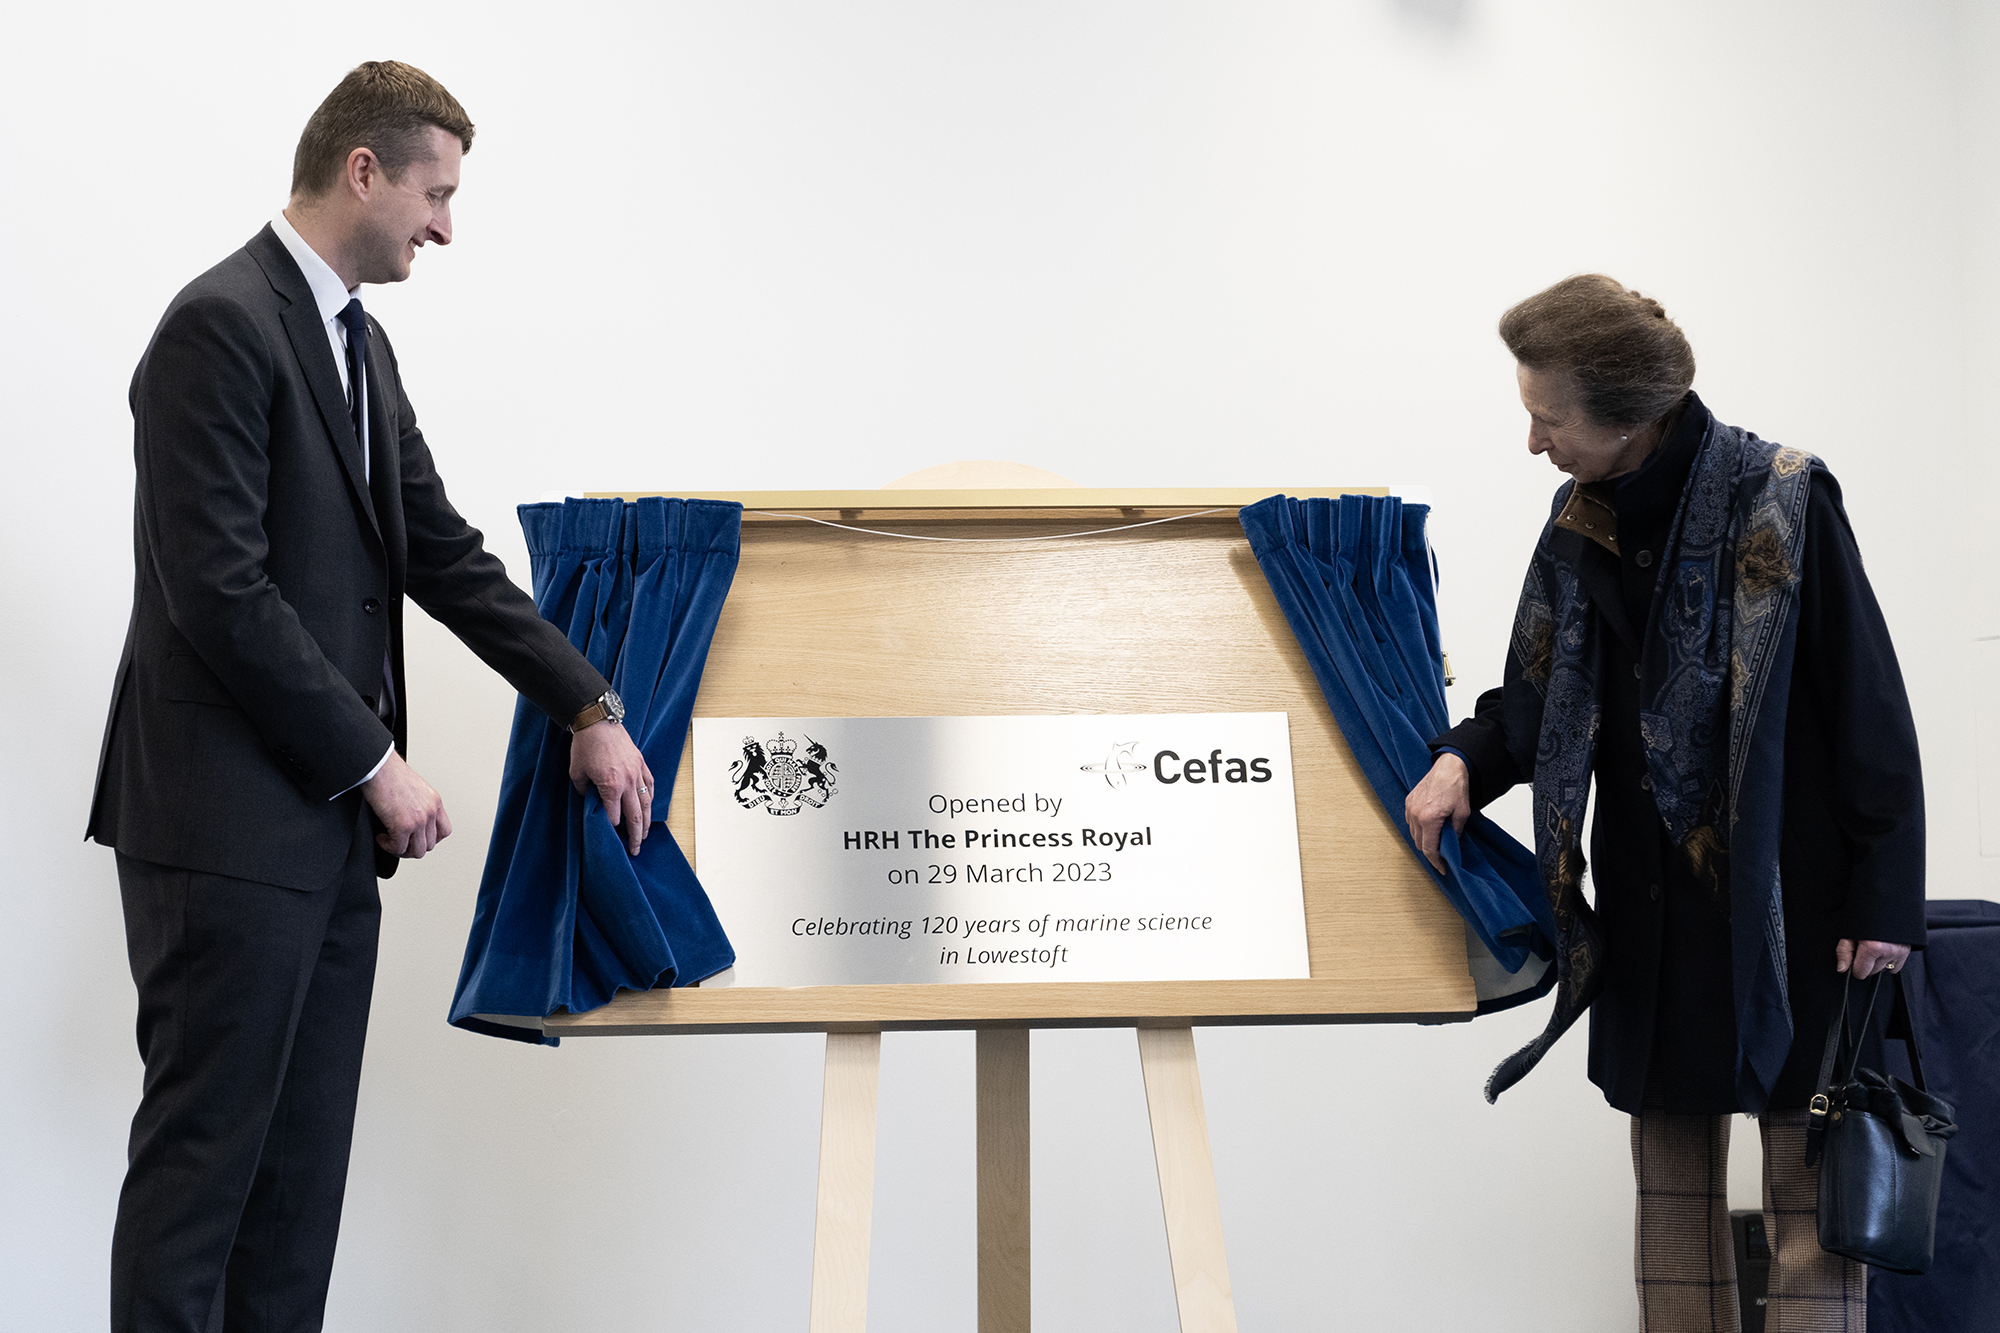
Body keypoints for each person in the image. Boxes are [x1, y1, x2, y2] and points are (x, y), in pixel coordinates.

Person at [86, 61, 657, 1331]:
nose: (445, 226)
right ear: (363, 170)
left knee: (298, 1187)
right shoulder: (217, 326)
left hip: (328, 839)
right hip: (223, 835)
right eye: (434, 194)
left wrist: (587, 704)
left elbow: (435, 547)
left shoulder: (360, 346)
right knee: (204, 1176)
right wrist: (376, 763)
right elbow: (220, 593)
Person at [1405, 275, 1925, 1332]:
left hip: (1796, 909)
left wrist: (1883, 904)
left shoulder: (1784, 496)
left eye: (1546, 418)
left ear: (1629, 415)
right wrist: (1464, 759)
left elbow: (1867, 703)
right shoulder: (1578, 515)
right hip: (1651, 904)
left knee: (1807, 1205)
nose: (1533, 443)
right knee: (1671, 1206)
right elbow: (1538, 694)